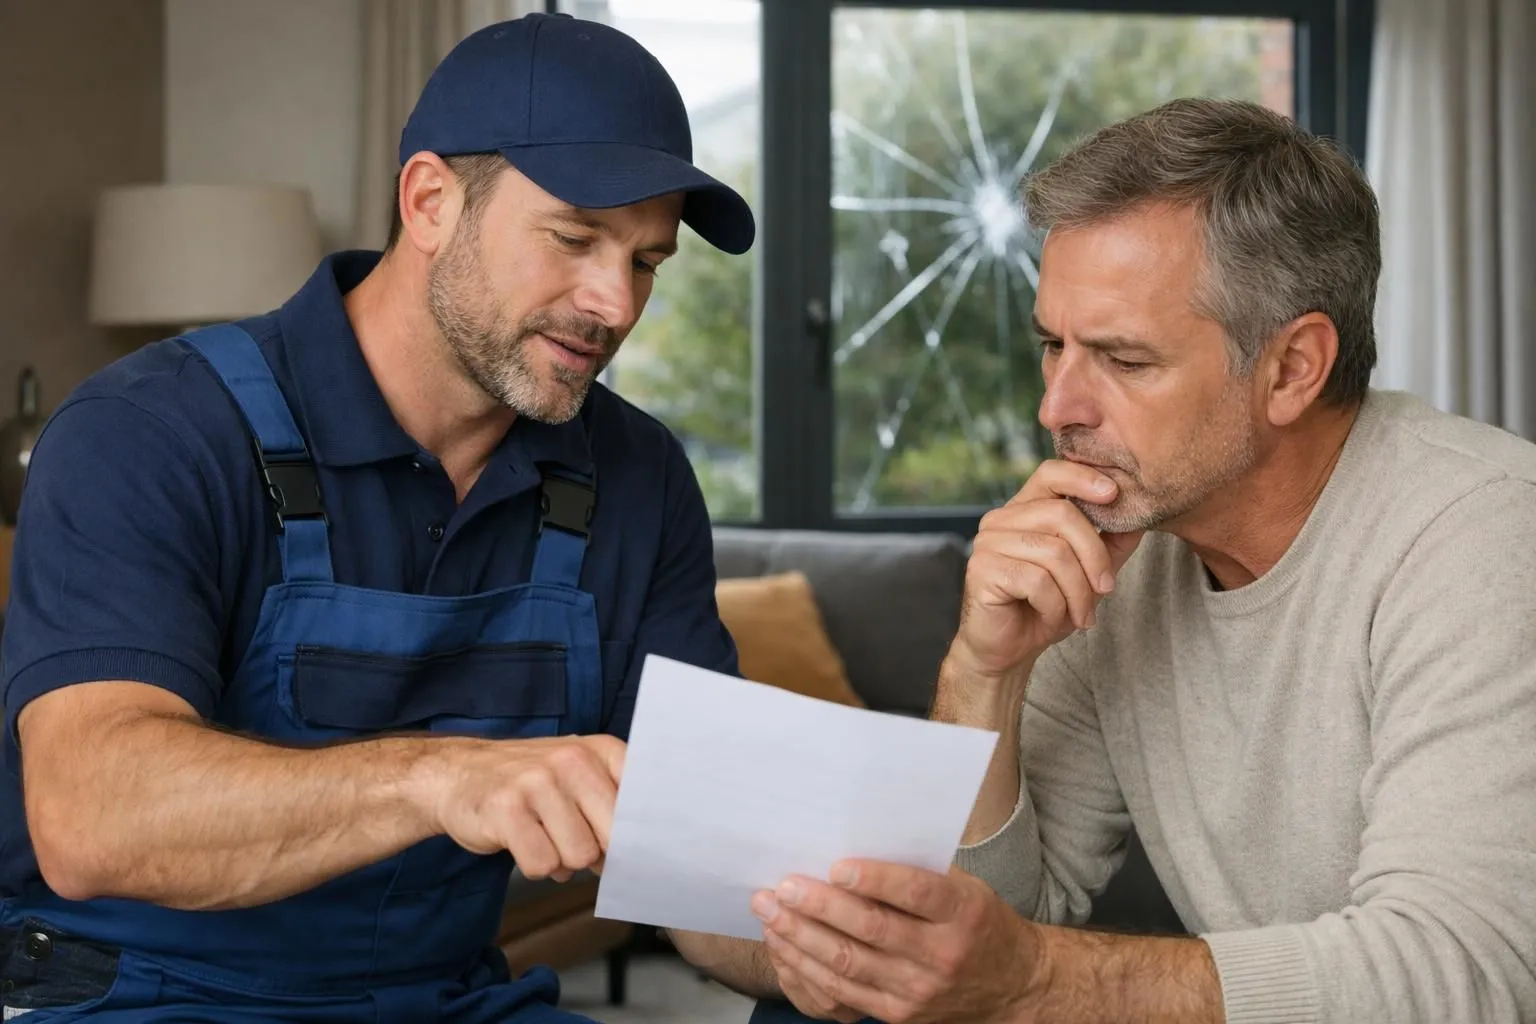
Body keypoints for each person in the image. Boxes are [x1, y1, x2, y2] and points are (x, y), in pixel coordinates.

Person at [703, 98, 1536, 1023]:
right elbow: (983, 930)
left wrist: (1034, 979)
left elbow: (1467, 975)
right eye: (1053, 345)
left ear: (1294, 368)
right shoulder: (1127, 546)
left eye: (1123, 361)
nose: (1057, 407)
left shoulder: (1485, 536)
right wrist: (988, 670)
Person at [0, 12, 755, 1022]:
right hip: (137, 994)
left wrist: (849, 948)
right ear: (431, 200)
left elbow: (699, 864)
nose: (614, 304)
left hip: (440, 1000)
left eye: (646, 262)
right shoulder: (151, 430)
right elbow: (90, 816)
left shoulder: (638, 475)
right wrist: (440, 779)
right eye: (575, 239)